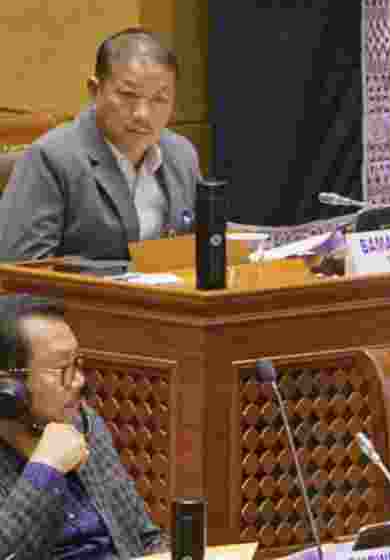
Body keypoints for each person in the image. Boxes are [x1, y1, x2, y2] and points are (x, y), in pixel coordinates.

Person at [0, 28, 201, 262]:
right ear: (95, 91)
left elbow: (203, 243)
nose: (142, 114)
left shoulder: (181, 154)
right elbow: (20, 281)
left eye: (159, 99)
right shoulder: (52, 158)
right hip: (85, 299)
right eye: (128, 95)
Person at [0, 294, 168, 558]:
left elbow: (143, 536)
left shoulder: (82, 422)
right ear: (8, 387)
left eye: (78, 364)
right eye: (62, 368)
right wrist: (45, 469)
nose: (78, 381)